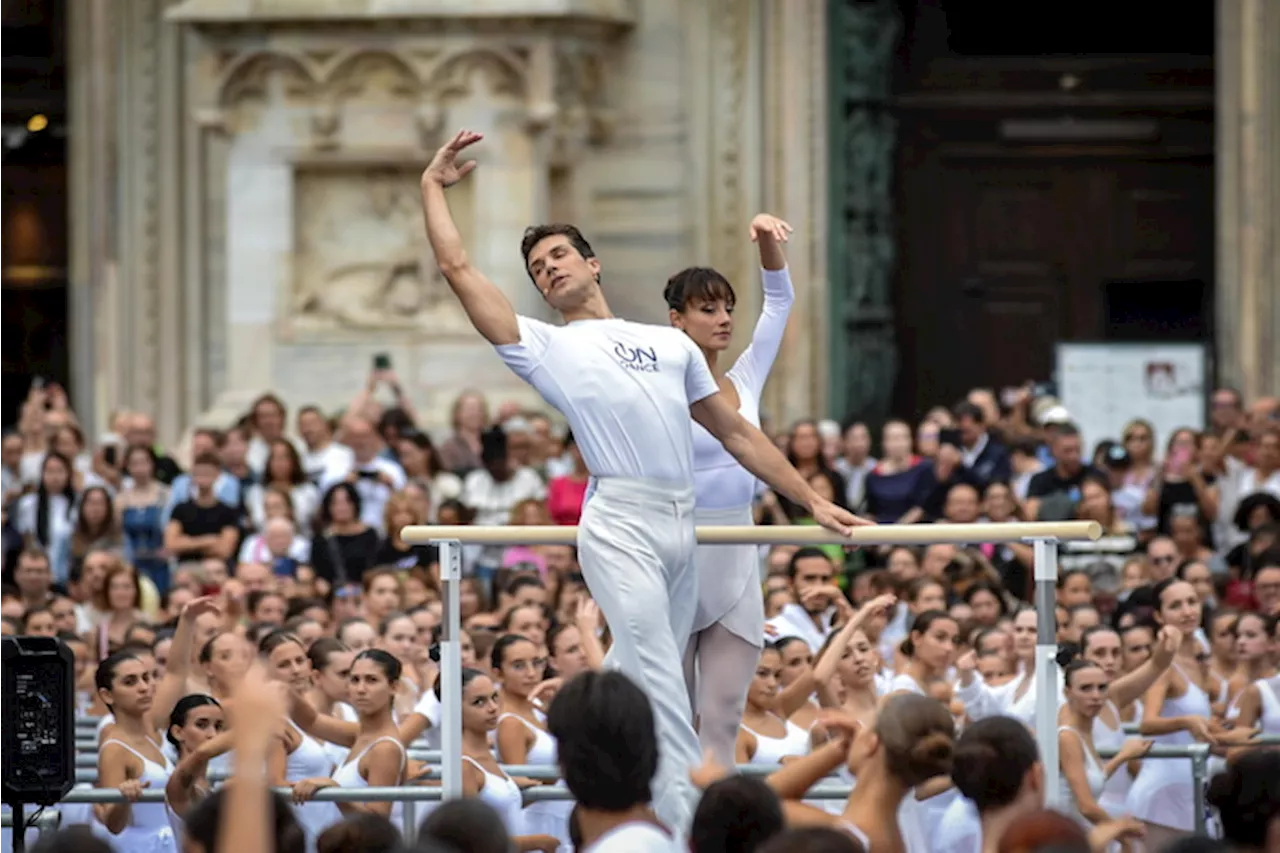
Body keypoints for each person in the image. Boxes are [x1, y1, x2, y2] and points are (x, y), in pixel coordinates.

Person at [419, 128, 867, 833]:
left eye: (559, 254)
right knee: (661, 683)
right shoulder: (546, 345)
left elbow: (738, 433)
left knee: (632, 680)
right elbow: (456, 265)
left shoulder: (670, 344)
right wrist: (431, 189)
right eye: (537, 266)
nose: (548, 269)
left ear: (592, 263)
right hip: (620, 519)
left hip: (682, 522)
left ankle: (598, 813)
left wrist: (811, 500)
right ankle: (696, 834)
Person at [666, 213, 795, 768]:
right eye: (707, 308)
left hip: (737, 551)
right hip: (673, 550)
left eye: (726, 308)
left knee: (720, 721)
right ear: (677, 320)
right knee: (667, 718)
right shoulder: (653, 384)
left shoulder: (744, 378)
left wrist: (767, 241)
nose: (723, 319)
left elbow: (780, 304)